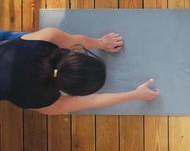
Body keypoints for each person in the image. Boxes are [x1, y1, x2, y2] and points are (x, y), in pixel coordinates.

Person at [0, 28, 160, 115]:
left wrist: (101, 43)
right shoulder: (45, 103)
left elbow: (72, 41)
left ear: (75, 56)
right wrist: (134, 95)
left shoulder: (46, 38)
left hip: (15, 50)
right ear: (72, 92)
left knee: (23, 40)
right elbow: (93, 102)